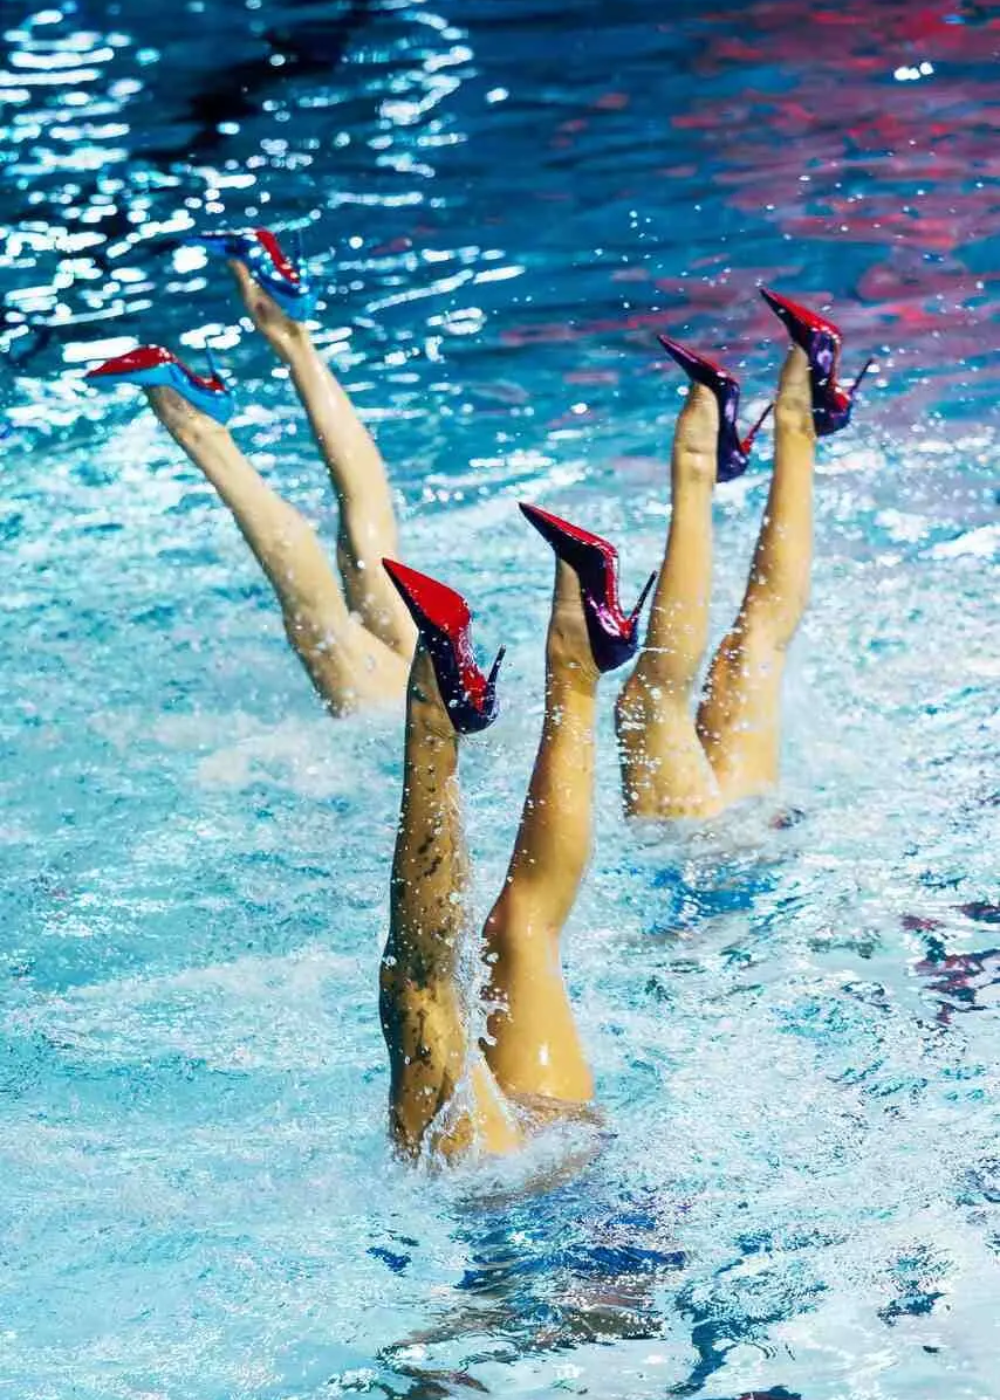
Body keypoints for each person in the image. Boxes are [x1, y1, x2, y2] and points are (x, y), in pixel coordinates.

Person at [378, 502, 651, 1161]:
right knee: (420, 987)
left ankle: (577, 657)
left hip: (565, 1138)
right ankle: (443, 715)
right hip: (507, 1183)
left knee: (526, 930)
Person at [84, 228, 415, 716]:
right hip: (431, 729)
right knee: (321, 632)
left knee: (369, 544)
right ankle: (201, 431)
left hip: (460, 695)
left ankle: (291, 332)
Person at [617, 287, 871, 821]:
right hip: (718, 857)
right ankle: (703, 457)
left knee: (755, 640)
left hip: (753, 831)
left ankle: (799, 403)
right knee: (649, 703)